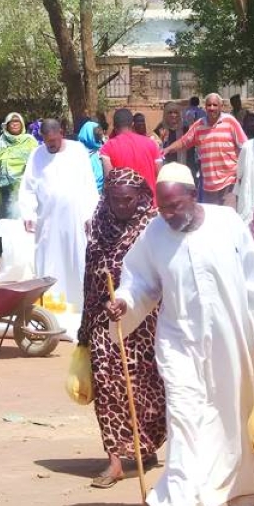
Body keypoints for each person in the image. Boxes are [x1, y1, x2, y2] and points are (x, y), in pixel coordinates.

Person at [106, 163, 254, 506]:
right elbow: (140, 282)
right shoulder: (155, 233)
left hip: (231, 338)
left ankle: (243, 495)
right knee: (184, 417)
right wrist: (124, 302)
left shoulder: (227, 224)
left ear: (193, 196)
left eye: (175, 206)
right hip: (179, 342)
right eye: (163, 208)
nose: (169, 215)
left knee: (234, 414)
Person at [78, 168, 166, 489]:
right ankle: (115, 459)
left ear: (141, 197)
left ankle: (145, 446)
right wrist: (85, 326)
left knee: (145, 389)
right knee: (106, 386)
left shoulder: (153, 227)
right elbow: (89, 276)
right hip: (104, 318)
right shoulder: (98, 225)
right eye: (116, 200)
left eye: (128, 200)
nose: (122, 206)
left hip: (144, 321)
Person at [18, 119, 99, 317]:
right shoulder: (37, 154)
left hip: (75, 219)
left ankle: (79, 306)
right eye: (47, 142)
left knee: (76, 260)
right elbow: (28, 186)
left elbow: (88, 184)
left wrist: (91, 214)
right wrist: (28, 212)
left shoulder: (77, 151)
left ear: (61, 133)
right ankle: (50, 309)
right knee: (49, 261)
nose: (50, 145)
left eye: (53, 141)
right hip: (48, 221)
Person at [163, 93, 247, 206]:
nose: (212, 108)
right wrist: (168, 149)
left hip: (229, 181)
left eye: (215, 105)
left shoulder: (230, 122)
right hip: (209, 184)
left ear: (221, 106)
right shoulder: (199, 125)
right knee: (212, 220)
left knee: (228, 217)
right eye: (209, 105)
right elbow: (184, 142)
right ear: (205, 107)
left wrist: (242, 173)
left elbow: (244, 147)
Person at [0, 112, 38, 219]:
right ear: (6, 125)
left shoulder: (29, 140)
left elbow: (38, 158)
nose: (14, 124)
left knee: (28, 218)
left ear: (22, 124)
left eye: (17, 121)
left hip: (28, 187)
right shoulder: (0, 142)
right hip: (7, 190)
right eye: (11, 122)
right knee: (11, 220)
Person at [101, 108, 164, 194]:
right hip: (150, 203)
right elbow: (161, 175)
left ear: (114, 126)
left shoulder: (108, 147)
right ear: (133, 124)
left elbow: (109, 180)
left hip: (124, 203)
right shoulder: (151, 143)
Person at [77, 119, 106, 193]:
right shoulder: (77, 153)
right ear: (88, 135)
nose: (99, 138)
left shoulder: (101, 150)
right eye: (96, 135)